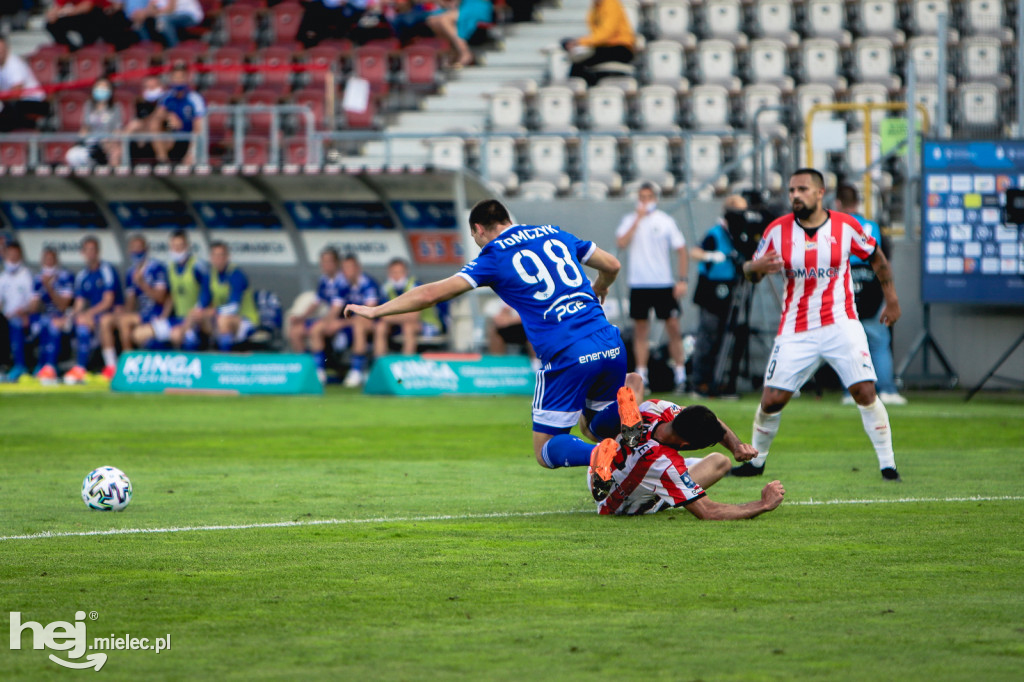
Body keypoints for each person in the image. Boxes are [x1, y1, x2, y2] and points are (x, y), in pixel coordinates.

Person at [345, 199, 626, 471]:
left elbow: (431, 294)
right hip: (609, 341)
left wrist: (376, 311)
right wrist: (600, 286)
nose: (478, 242)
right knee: (595, 425)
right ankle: (632, 405)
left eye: (474, 237)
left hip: (568, 351)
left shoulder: (493, 255)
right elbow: (612, 265)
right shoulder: (555, 232)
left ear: (479, 229)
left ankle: (604, 456)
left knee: (546, 447)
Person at [731, 168, 902, 481]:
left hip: (841, 323)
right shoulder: (777, 231)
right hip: (796, 328)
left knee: (865, 391)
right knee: (771, 400)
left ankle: (888, 465)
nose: (795, 195)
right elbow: (751, 271)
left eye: (802, 189)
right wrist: (753, 267)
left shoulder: (846, 226)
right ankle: (755, 462)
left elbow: (876, 257)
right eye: (792, 190)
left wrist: (891, 299)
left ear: (820, 193)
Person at [588, 386, 785, 518]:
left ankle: (590, 422)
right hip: (619, 504)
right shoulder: (665, 464)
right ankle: (661, 498)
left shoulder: (656, 408)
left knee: (721, 461)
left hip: (606, 473)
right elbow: (708, 511)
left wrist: (736, 446)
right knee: (684, 478)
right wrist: (763, 504)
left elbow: (708, 419)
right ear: (685, 443)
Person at [835, 184, 907, 406]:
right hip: (872, 288)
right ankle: (886, 389)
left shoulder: (834, 227)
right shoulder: (874, 227)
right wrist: (890, 297)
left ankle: (851, 393)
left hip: (845, 288)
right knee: (879, 342)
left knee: (848, 346)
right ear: (858, 202)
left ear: (838, 203)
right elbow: (883, 259)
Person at [615, 182, 689, 391]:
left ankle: (680, 374)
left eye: (648, 196)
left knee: (673, 327)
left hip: (663, 283)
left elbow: (681, 250)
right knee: (640, 330)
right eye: (641, 196)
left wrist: (682, 279)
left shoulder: (665, 221)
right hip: (639, 283)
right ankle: (642, 375)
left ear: (655, 198)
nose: (644, 201)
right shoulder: (630, 220)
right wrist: (637, 219)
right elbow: (621, 242)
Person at [688, 194, 745, 396]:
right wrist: (710, 256)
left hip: (730, 288)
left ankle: (721, 381)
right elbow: (694, 252)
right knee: (708, 335)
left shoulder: (739, 235)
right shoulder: (715, 233)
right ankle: (700, 382)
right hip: (711, 290)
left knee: (726, 336)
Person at [98, 234, 168, 378]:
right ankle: (111, 367)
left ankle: (128, 367)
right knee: (106, 320)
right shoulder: (131, 272)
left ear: (146, 249)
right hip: (139, 314)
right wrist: (122, 312)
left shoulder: (156, 267)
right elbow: (131, 301)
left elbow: (161, 298)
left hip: (156, 313)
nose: (136, 252)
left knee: (125, 321)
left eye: (139, 248)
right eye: (133, 249)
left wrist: (142, 283)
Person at [65, 236, 124, 384]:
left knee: (94, 322)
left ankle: (110, 367)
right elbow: (79, 303)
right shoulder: (82, 275)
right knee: (74, 323)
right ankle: (75, 368)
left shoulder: (107, 270)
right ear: (82, 253)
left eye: (94, 250)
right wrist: (73, 315)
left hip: (110, 314)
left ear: (98, 251)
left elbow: (108, 301)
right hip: (92, 316)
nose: (91, 253)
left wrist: (88, 314)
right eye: (88, 250)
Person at [288, 246, 344, 383]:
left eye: (328, 261)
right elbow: (316, 302)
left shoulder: (342, 280)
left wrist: (323, 322)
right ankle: (304, 369)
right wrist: (302, 317)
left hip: (342, 322)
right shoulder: (324, 280)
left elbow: (337, 308)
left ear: (336, 263)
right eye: (323, 262)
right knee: (295, 331)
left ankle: (319, 373)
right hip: (326, 319)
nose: (325, 265)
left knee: (315, 329)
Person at [374, 257, 442, 357]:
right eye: (394, 272)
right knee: (380, 326)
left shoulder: (415, 285)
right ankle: (379, 363)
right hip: (400, 323)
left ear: (406, 272)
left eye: (399, 272)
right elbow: (383, 316)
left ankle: (405, 363)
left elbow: (414, 317)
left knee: (408, 327)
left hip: (426, 323)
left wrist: (391, 317)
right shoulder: (386, 288)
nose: (396, 276)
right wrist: (393, 317)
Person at [200, 241, 258, 352]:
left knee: (223, 321)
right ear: (211, 258)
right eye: (215, 256)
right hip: (219, 318)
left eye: (221, 255)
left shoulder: (236, 274)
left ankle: (225, 360)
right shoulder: (209, 275)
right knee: (197, 317)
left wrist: (214, 311)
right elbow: (202, 301)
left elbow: (234, 307)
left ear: (227, 257)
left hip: (245, 320)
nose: (218, 259)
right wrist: (199, 312)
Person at [562, 0, 635, 86]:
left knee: (579, 62)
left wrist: (579, 42)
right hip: (604, 47)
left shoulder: (611, 3)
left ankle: (585, 87)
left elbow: (606, 33)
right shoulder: (596, 6)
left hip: (620, 49)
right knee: (578, 61)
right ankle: (582, 87)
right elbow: (596, 32)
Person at [29, 247, 75, 384]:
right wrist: (39, 291)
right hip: (45, 317)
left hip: (65, 317)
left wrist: (49, 287)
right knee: (42, 322)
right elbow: (33, 307)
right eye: (46, 259)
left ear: (56, 260)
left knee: (52, 324)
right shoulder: (38, 278)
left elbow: (63, 306)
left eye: (51, 258)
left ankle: (50, 367)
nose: (49, 262)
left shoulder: (65, 276)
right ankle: (40, 366)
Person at [336, 253, 379, 387]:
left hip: (376, 321)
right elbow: (336, 307)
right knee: (319, 327)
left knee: (359, 325)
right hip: (351, 321)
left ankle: (357, 371)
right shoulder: (342, 285)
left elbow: (370, 311)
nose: (347, 271)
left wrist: (343, 322)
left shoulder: (368, 283)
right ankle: (318, 371)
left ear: (358, 268)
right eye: (344, 268)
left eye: (350, 267)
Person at [149, 63, 205, 164]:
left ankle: (188, 157)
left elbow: (198, 128)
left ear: (186, 78)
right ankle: (163, 162)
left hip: (188, 138)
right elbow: (157, 116)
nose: (178, 81)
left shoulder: (195, 98)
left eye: (181, 77)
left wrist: (191, 152)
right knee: (155, 123)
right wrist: (169, 115)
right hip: (172, 136)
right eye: (175, 78)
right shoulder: (167, 97)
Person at [66, 77, 124, 167]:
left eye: (105, 87)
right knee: (72, 155)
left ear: (110, 90)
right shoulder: (88, 106)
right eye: (99, 87)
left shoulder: (115, 107)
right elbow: (85, 128)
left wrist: (110, 142)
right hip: (91, 143)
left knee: (116, 153)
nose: (102, 89)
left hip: (107, 143)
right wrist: (81, 140)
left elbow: (117, 130)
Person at [0, 240, 34, 381]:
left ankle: (20, 366)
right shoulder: (3, 277)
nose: (13, 257)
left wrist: (23, 311)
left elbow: (33, 302)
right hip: (6, 317)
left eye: (16, 254)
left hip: (24, 316)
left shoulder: (26, 275)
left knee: (15, 323)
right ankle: (3, 367)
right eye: (10, 254)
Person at [0, 36, 49, 132]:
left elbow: (16, 93)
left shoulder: (14, 64)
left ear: (6, 48)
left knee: (8, 112)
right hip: (16, 103)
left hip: (35, 102)